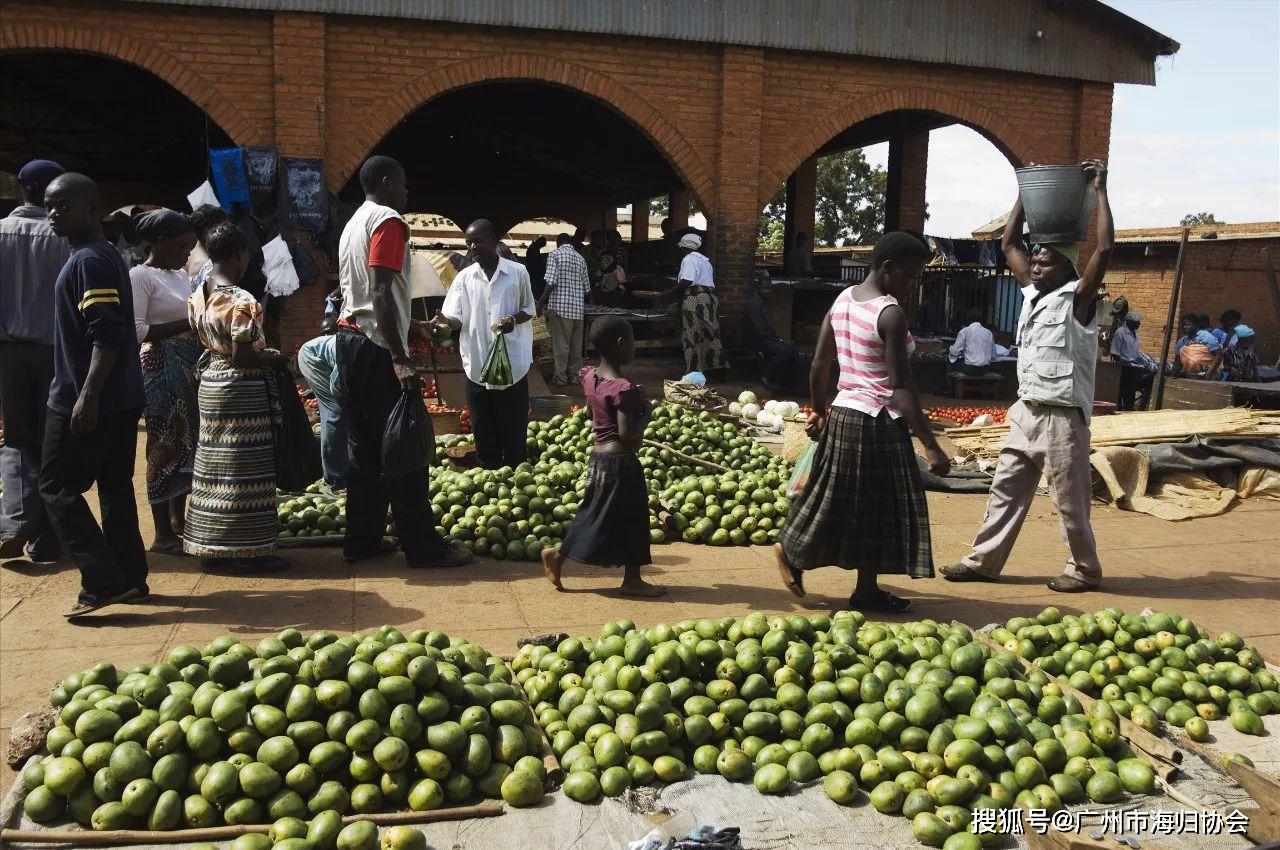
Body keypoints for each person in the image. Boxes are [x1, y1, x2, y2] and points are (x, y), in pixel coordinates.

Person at [941, 160, 1113, 593]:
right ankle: (983, 562)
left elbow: (1105, 251)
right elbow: (1008, 242)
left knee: (1070, 504)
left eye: (1046, 261)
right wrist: (1026, 194)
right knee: (1005, 490)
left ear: (1069, 267)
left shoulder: (1079, 300)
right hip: (1026, 411)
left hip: (1061, 419)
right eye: (1034, 260)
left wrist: (1101, 191)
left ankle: (1085, 569)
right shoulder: (1032, 295)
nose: (1036, 266)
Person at [773, 232, 948, 613]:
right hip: (877, 422)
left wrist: (820, 409)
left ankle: (857, 586)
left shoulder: (842, 300)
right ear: (889, 269)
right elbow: (901, 388)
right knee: (877, 508)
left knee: (853, 503)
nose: (913, 284)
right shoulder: (890, 313)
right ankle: (796, 554)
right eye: (911, 275)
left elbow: (820, 364)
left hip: (844, 415)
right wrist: (931, 445)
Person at [337, 156, 471, 569]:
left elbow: (365, 294)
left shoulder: (353, 223)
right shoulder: (388, 220)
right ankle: (423, 547)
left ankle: (363, 538)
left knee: (364, 449)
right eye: (403, 183)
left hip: (349, 340)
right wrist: (399, 355)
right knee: (404, 446)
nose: (407, 192)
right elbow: (378, 288)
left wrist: (410, 323)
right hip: (377, 348)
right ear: (385, 182)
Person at [40, 173, 149, 617]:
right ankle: (130, 577)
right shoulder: (99, 255)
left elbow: (106, 334)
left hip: (92, 397)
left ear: (90, 207)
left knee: (55, 487)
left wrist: (86, 396)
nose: (53, 214)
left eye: (64, 205)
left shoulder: (90, 261)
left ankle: (102, 582)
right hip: (120, 398)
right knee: (114, 487)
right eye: (50, 205)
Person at [184, 223, 289, 572]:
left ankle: (211, 546)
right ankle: (248, 550)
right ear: (239, 254)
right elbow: (244, 356)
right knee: (246, 469)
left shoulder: (197, 294)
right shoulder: (242, 300)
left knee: (214, 466)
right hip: (240, 389)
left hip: (210, 383)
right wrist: (272, 357)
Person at [542, 317, 665, 598]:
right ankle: (632, 579)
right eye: (632, 341)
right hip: (621, 463)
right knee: (633, 519)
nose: (634, 347)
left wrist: (632, 401)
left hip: (599, 461)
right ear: (622, 344)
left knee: (594, 514)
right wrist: (644, 412)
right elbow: (626, 434)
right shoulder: (622, 388)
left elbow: (596, 408)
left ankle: (559, 555)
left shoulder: (589, 376)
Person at [0, 159, 69, 562]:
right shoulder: (64, 237)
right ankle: (46, 537)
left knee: (17, 440)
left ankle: (14, 522)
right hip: (56, 353)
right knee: (52, 443)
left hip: (10, 353)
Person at [434, 219, 537, 470]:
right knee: (483, 428)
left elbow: (529, 309)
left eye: (478, 242)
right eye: (469, 244)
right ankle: (488, 470)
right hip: (478, 365)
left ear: (494, 241)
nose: (472, 249)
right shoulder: (464, 278)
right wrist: (443, 321)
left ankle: (515, 472)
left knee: (513, 429)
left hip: (513, 364)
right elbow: (455, 318)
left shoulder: (518, 273)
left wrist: (514, 319)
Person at [129, 209, 201, 555]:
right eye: (182, 245)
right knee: (162, 444)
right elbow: (138, 329)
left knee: (186, 441)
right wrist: (188, 323)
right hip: (159, 366)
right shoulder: (140, 276)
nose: (188, 251)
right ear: (161, 241)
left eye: (191, 245)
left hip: (186, 367)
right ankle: (161, 532)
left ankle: (180, 522)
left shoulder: (180, 275)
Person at [297, 315, 347, 490]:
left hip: (322, 359)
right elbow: (337, 384)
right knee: (335, 413)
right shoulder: (347, 348)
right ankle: (334, 478)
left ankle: (347, 467)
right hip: (311, 357)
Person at [539, 233, 591, 386]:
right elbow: (587, 288)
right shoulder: (580, 258)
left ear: (558, 243)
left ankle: (560, 378)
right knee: (576, 347)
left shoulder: (555, 255)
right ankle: (575, 376)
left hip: (560, 307)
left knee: (561, 345)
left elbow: (551, 282)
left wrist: (541, 303)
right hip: (578, 309)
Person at [667, 232, 724, 374]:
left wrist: (669, 293)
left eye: (681, 248)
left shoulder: (688, 259)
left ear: (684, 248)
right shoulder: (705, 261)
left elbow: (687, 281)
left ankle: (693, 372)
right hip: (709, 299)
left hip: (694, 299)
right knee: (711, 334)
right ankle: (716, 369)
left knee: (691, 335)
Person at [744, 269, 801, 392]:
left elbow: (769, 329)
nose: (767, 291)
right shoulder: (754, 303)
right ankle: (767, 375)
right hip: (756, 341)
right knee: (785, 351)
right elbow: (760, 331)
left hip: (766, 339)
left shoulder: (763, 302)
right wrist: (779, 341)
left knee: (793, 351)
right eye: (764, 288)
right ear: (758, 288)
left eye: (769, 288)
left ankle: (790, 386)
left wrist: (780, 340)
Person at [1109, 310, 1152, 410]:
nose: (1139, 324)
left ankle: (1132, 408)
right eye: (1137, 322)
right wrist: (1125, 364)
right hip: (1124, 368)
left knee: (1132, 390)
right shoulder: (1120, 333)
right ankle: (1122, 408)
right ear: (1129, 322)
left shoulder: (1135, 333)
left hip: (1134, 367)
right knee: (1125, 391)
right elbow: (1115, 353)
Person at [185, 204, 228, 288]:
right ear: (207, 231)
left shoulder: (185, 252)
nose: (226, 231)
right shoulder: (210, 265)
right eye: (222, 227)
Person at [948, 308, 996, 376]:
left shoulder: (965, 331)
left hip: (969, 369)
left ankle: (950, 384)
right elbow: (994, 355)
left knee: (951, 362)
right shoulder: (988, 333)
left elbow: (955, 351)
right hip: (985, 369)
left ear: (968, 319)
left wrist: (951, 349)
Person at [598, 229, 628, 295]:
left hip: (618, 278)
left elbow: (625, 265)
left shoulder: (621, 250)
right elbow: (601, 266)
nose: (610, 238)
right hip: (606, 278)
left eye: (612, 237)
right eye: (609, 236)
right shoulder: (604, 250)